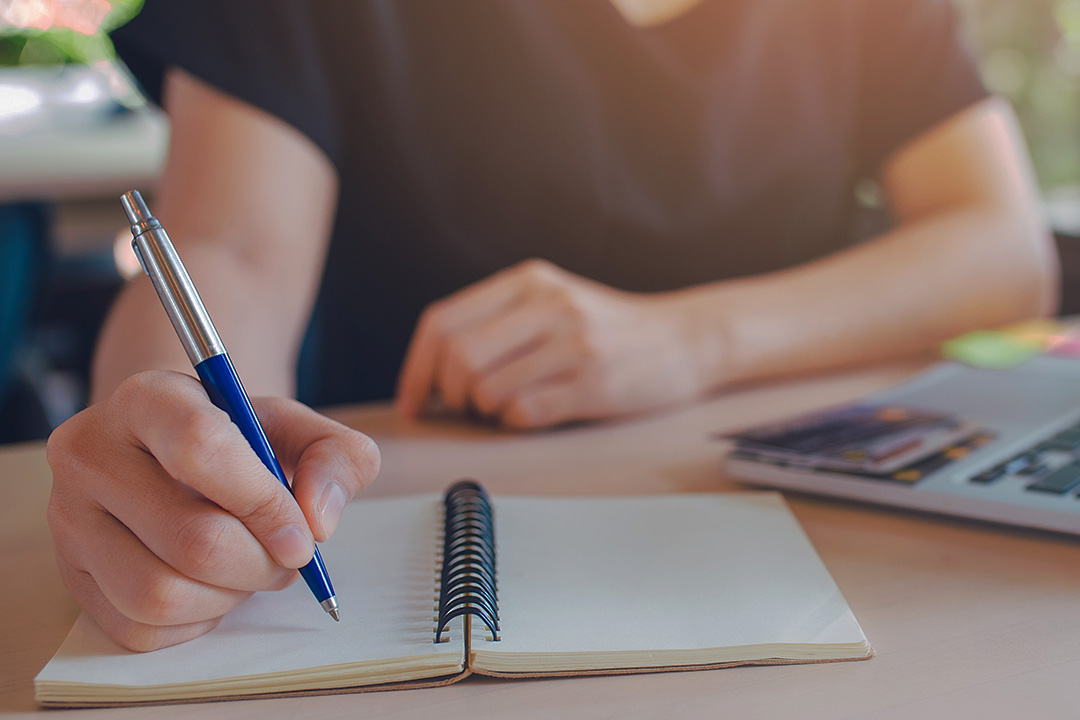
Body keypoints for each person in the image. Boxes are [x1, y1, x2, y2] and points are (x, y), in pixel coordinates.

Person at [47, 0, 1058, 651]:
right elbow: (231, 250)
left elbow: (1005, 250)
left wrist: (689, 340)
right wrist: (171, 453)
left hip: (821, 544)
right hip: (416, 510)